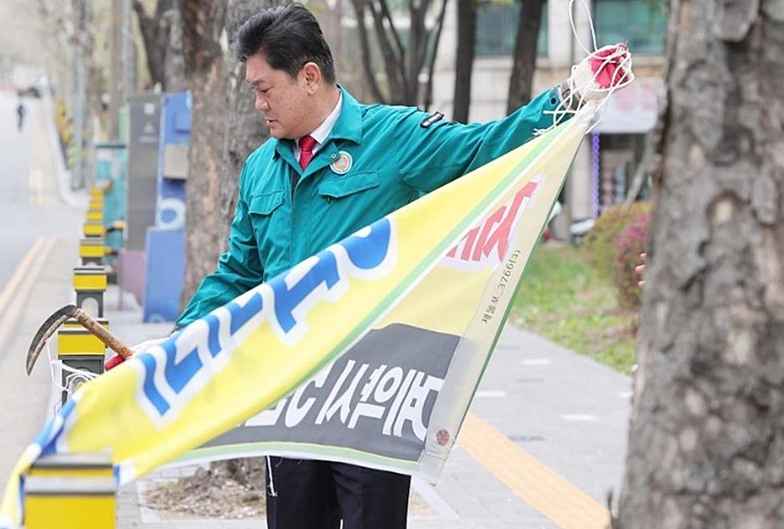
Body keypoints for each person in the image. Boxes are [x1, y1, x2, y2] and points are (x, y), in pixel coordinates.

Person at [110, 4, 632, 527]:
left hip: (369, 404)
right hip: (288, 403)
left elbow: (485, 150)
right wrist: (173, 349)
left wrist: (572, 97)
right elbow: (238, 276)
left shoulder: (393, 139)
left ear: (309, 77)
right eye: (252, 89)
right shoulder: (260, 169)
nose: (257, 103)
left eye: (265, 88)